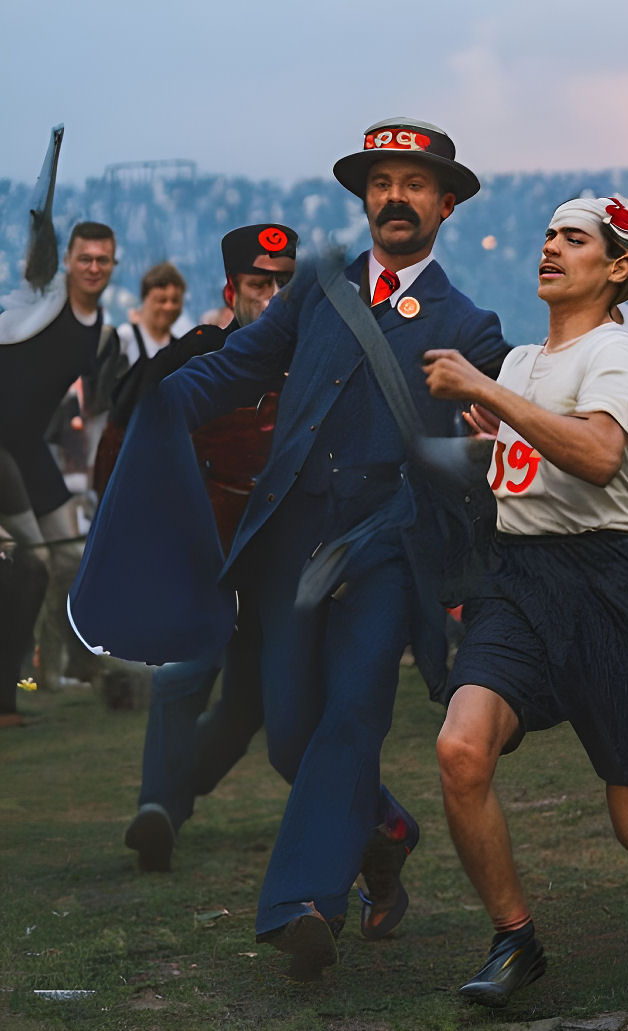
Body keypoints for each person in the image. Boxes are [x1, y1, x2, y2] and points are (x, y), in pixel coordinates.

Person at [71, 117, 509, 980]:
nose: (394, 196)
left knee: (351, 714)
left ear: (446, 204)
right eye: (380, 182)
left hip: (386, 551)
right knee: (288, 738)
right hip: (285, 550)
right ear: (363, 197)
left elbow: (488, 434)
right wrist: (166, 400)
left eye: (414, 182)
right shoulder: (317, 288)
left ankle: (303, 904)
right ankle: (385, 838)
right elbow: (237, 366)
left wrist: (491, 426)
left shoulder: (471, 323)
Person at [423, 193, 628, 1009]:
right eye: (549, 235)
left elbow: (598, 456)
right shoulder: (524, 359)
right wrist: (482, 439)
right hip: (517, 581)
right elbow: (524, 455)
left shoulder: (618, 353)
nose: (551, 248)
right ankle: (514, 939)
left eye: (574, 239)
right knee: (460, 751)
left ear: (619, 267)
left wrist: (490, 397)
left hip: (609, 587)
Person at [114, 224, 298, 873]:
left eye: (284, 283)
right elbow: (130, 406)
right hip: (208, 552)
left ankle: (172, 798)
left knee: (248, 707)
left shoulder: (312, 364)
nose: (274, 297)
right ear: (232, 290)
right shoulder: (203, 354)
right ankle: (158, 809)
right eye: (259, 283)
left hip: (279, 564)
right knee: (183, 676)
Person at [0, 221, 118, 692]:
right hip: (1, 452)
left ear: (113, 264)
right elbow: (36, 259)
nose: (93, 267)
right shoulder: (38, 302)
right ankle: (20, 677)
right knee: (36, 565)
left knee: (71, 561)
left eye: (102, 259)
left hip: (30, 449)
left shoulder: (99, 328)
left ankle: (66, 668)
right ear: (67, 261)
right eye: (84, 258)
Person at [116, 262, 187, 369]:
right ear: (145, 300)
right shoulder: (126, 336)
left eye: (175, 301)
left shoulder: (179, 348)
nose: (169, 307)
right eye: (162, 300)